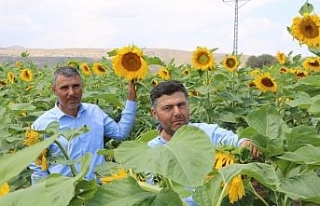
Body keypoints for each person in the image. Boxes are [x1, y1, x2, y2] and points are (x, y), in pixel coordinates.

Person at [148, 80, 259, 205]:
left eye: (181, 105)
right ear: (155, 114)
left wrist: (245, 143)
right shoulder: (148, 153)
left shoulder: (206, 133)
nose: (177, 113)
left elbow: (235, 140)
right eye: (168, 108)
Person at [29, 66, 137, 183]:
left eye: (76, 86)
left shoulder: (95, 112)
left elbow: (121, 133)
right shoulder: (41, 125)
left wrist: (131, 98)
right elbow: (37, 167)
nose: (71, 92)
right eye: (64, 88)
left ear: (82, 87)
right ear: (54, 90)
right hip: (65, 193)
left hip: (98, 190)